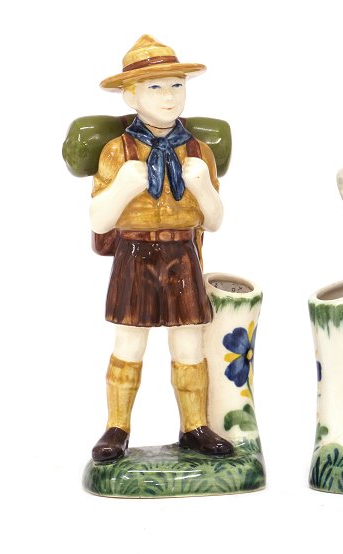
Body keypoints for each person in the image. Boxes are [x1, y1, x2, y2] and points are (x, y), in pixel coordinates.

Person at [89, 34, 233, 462]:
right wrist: (123, 187)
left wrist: (203, 187)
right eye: (155, 87)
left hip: (181, 255)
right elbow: (98, 220)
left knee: (189, 345)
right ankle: (117, 427)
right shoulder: (118, 151)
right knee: (129, 344)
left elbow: (215, 221)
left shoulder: (198, 151)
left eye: (176, 85)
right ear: (130, 95)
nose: (169, 97)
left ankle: (195, 426)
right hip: (134, 254)